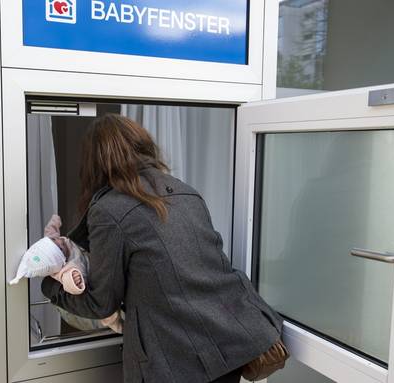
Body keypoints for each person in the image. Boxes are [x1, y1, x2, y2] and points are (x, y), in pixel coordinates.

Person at [41, 114, 283, 383]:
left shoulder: (109, 209)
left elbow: (100, 303)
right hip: (227, 347)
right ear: (143, 146)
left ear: (94, 162)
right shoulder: (185, 192)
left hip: (175, 364)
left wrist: (50, 285)